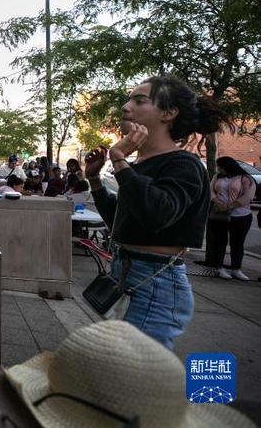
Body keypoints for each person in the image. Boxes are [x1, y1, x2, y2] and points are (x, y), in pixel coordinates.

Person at [84, 74, 230, 349]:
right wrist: (94, 180)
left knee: (135, 374)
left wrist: (119, 160)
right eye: (128, 100)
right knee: (115, 368)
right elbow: (122, 222)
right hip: (125, 272)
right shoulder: (138, 165)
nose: (127, 107)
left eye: (139, 101)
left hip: (153, 281)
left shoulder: (183, 164)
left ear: (169, 113)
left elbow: (157, 215)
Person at [206, 156, 256, 280]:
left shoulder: (246, 179)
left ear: (227, 166)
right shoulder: (217, 177)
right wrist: (217, 202)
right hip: (219, 215)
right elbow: (210, 190)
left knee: (237, 243)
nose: (218, 169)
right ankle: (219, 267)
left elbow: (248, 196)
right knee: (220, 242)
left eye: (220, 166)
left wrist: (229, 206)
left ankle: (236, 269)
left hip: (241, 215)